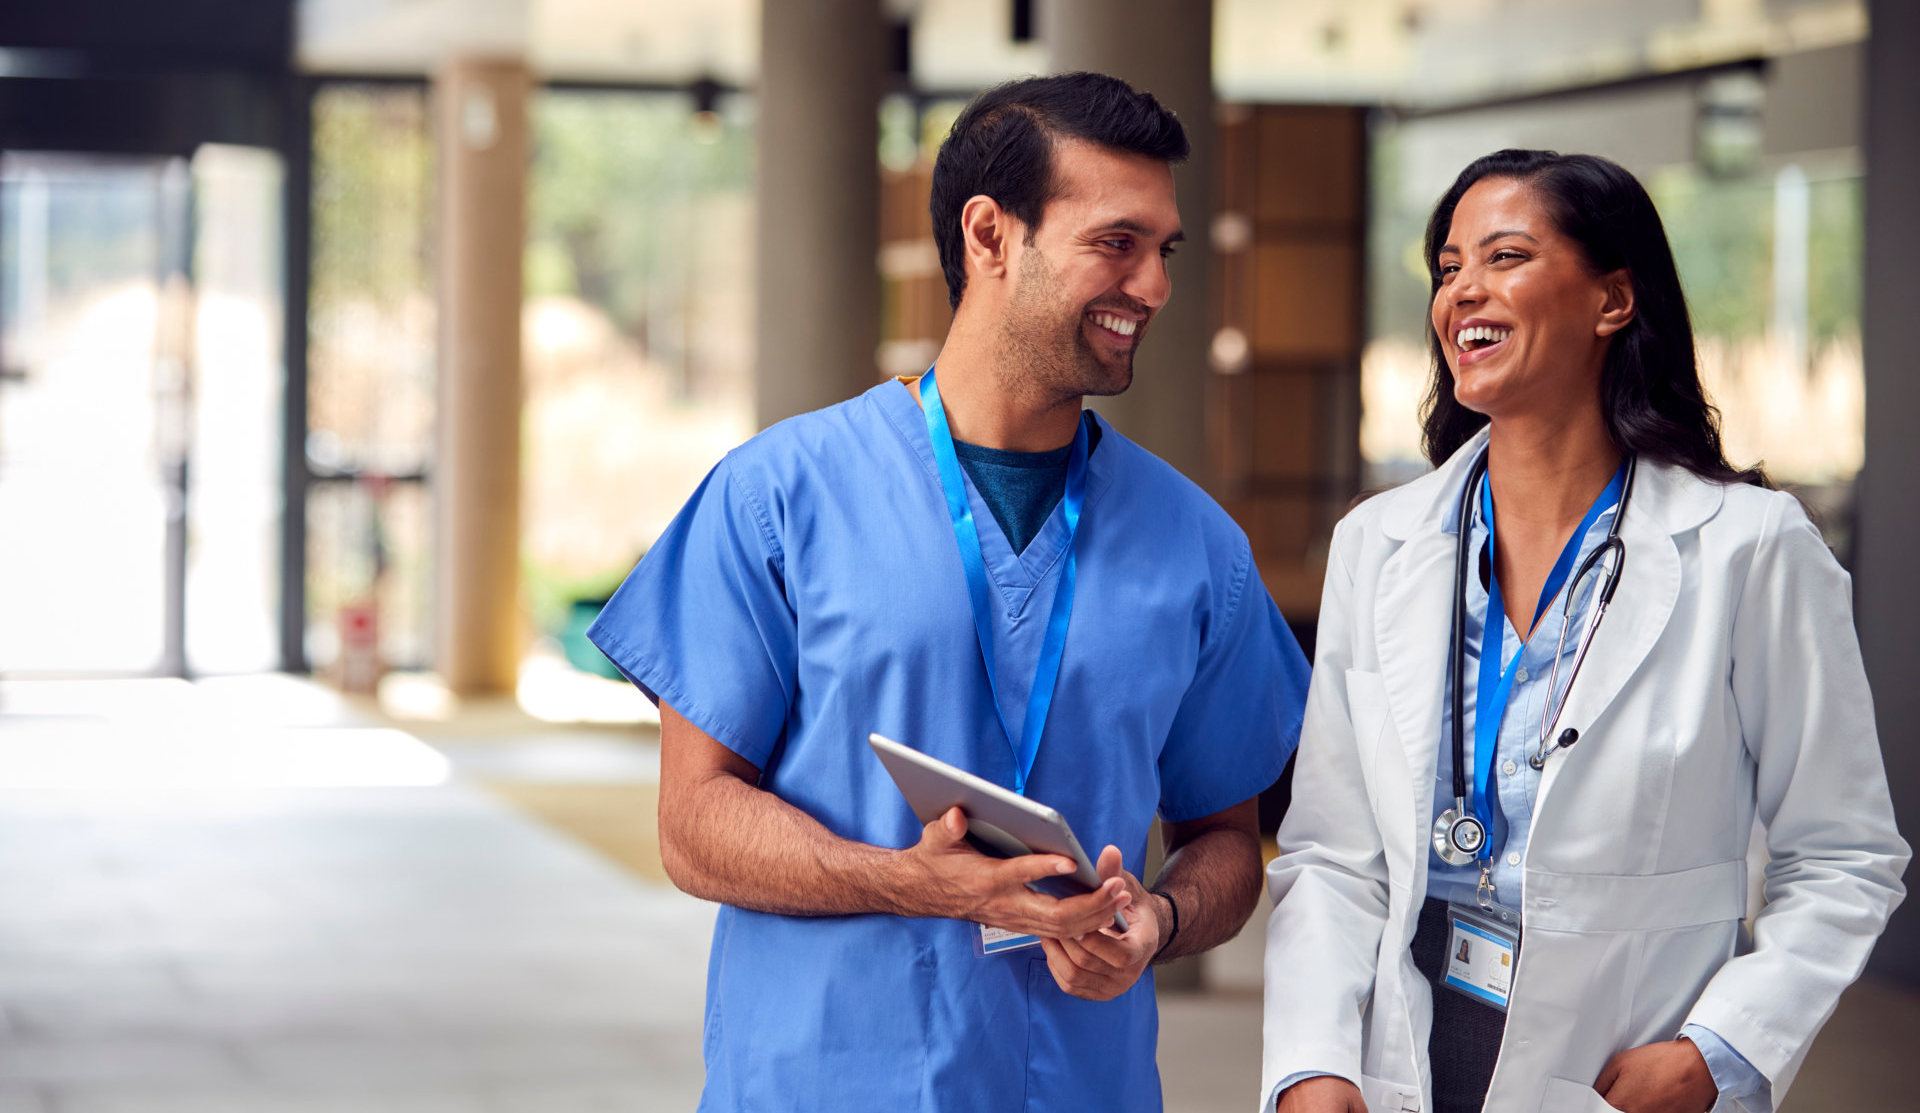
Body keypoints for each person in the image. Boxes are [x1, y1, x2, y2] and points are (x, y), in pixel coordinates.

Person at [590, 72, 1310, 1113]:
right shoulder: (778, 497)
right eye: (1117, 243)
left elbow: (1227, 843)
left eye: (1165, 251)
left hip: (1079, 1086)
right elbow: (693, 824)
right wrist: (905, 880)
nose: (1153, 286)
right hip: (819, 1083)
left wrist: (1157, 922)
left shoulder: (1197, 546)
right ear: (990, 236)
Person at [1260, 149, 1908, 1113]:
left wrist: (1718, 1051)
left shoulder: (1746, 550)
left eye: (1505, 256)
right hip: (1402, 1047)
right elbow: (1331, 852)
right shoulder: (1379, 544)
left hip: (1623, 1064)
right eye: (1447, 268)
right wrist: (1312, 1059)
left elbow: (1846, 854)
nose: (1464, 290)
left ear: (1613, 301)